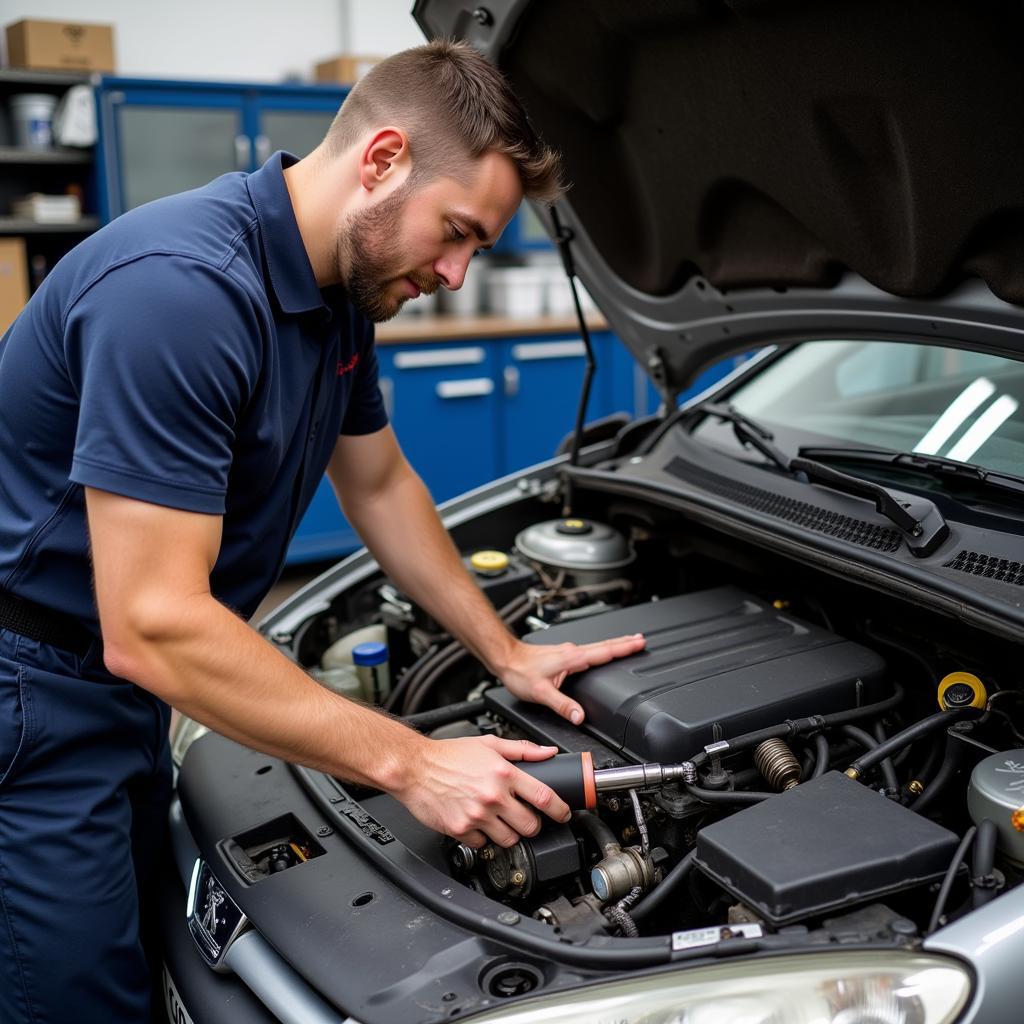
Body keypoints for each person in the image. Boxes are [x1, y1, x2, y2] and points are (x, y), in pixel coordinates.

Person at [0, 39, 645, 1023]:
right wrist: (413, 761)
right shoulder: (181, 295)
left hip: (120, 688)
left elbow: (379, 482)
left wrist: (504, 649)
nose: (458, 271)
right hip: (33, 694)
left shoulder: (340, 291)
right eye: (458, 231)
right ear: (382, 160)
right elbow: (154, 624)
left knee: (139, 951)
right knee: (75, 998)